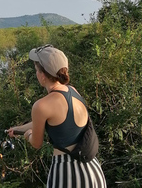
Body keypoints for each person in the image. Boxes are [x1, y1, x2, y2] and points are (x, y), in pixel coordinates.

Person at [8, 44, 107, 188]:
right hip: (92, 170)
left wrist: (28, 134)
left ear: (43, 76)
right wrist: (18, 129)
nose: (36, 74)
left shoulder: (41, 106)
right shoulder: (73, 91)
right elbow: (54, 122)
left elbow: (36, 143)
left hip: (66, 173)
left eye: (36, 70)